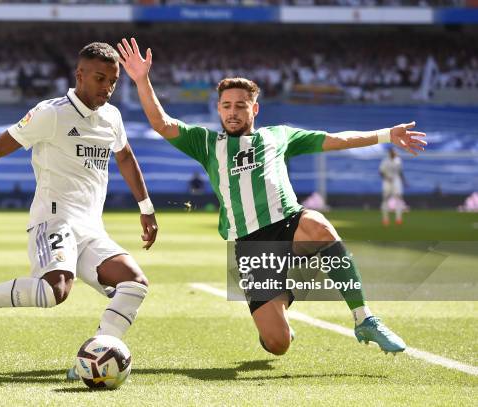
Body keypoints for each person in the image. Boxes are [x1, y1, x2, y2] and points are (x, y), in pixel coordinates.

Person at [117, 37, 427, 356]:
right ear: (219, 109)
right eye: (226, 106)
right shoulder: (206, 143)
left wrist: (387, 135)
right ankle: (280, 306)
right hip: (252, 244)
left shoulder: (278, 135)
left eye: (240, 105)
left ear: (255, 108)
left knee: (320, 227)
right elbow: (161, 123)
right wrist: (142, 79)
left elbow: (336, 139)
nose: (232, 112)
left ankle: (364, 318)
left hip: (290, 223)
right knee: (277, 344)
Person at [0, 43, 158, 378]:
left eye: (113, 81)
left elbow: (125, 157)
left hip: (91, 230)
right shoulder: (51, 113)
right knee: (52, 292)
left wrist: (146, 207)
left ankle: (95, 357)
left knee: (135, 283)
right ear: (80, 74)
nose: (107, 88)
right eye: (100, 78)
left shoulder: (111, 117)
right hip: (53, 220)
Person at [380, 147, 405, 226]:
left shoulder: (398, 160)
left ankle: (398, 219)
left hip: (396, 181)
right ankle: (385, 219)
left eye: (394, 152)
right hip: (387, 181)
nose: (393, 153)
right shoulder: (385, 161)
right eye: (392, 152)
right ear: (389, 153)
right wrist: (387, 178)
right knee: (385, 199)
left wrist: (404, 181)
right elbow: (381, 172)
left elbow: (400, 172)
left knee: (398, 198)